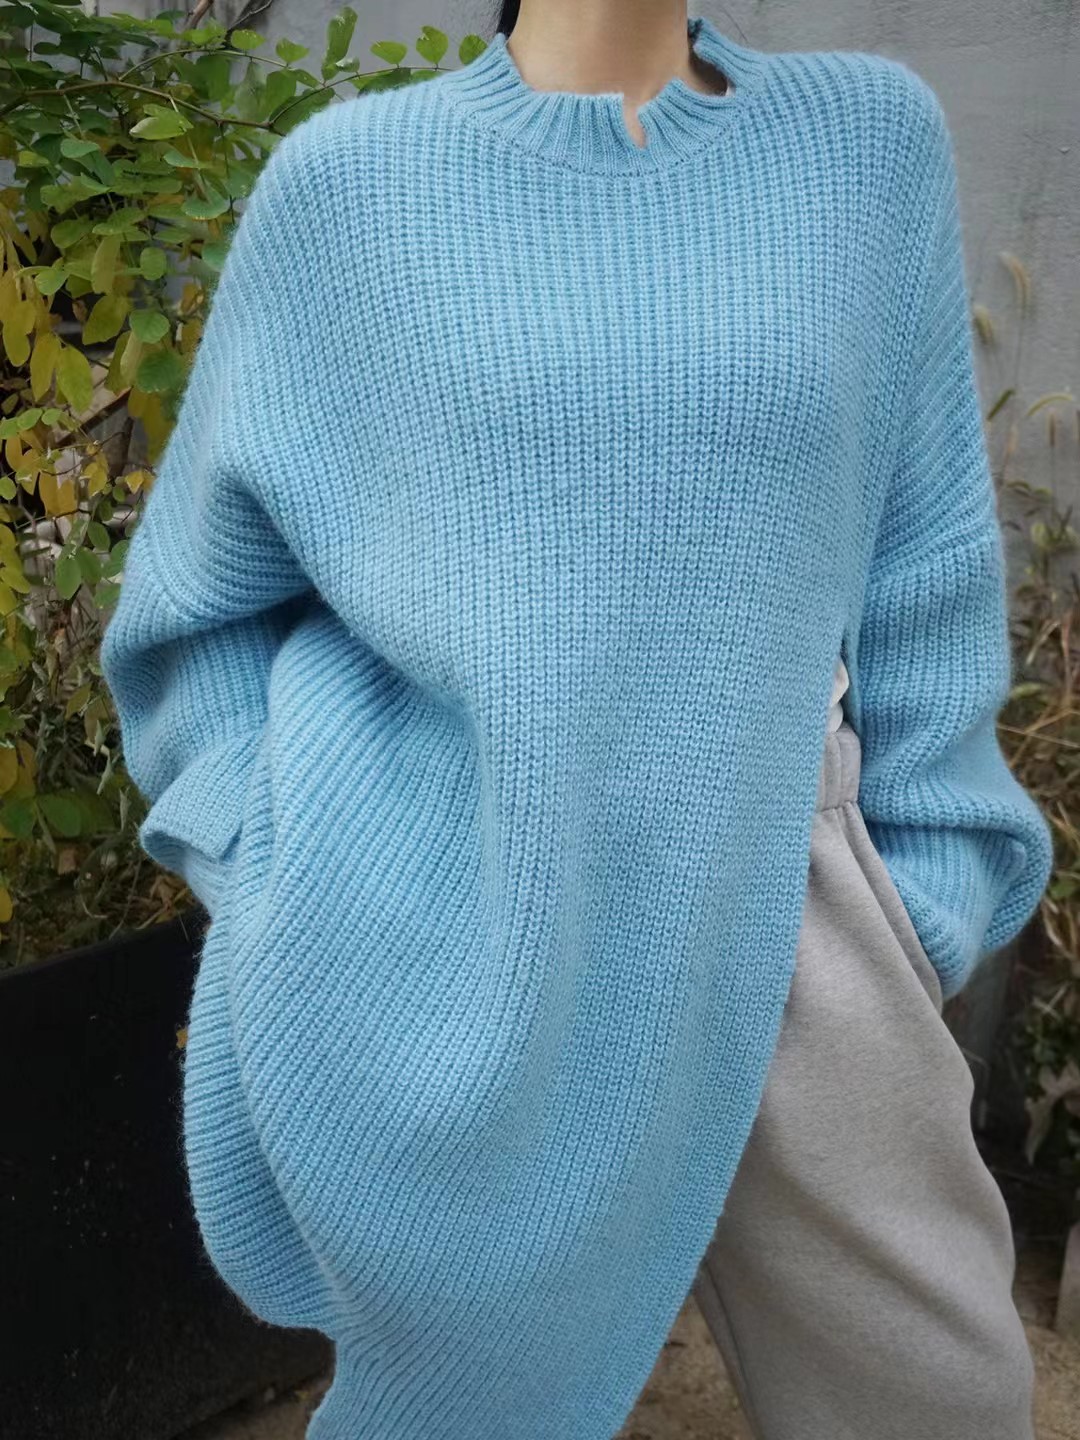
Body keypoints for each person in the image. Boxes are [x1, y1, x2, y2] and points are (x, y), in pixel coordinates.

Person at [98, 3, 1055, 1437]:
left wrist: (925, 894)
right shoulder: (348, 185)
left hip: (796, 892)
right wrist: (280, 871)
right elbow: (199, 605)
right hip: (458, 917)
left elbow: (928, 565)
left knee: (941, 1396)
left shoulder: (866, 149)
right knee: (463, 1412)